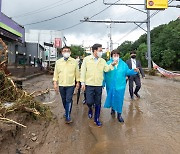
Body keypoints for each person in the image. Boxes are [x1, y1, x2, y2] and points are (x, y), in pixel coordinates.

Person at [80, 43, 117, 127]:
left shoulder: (102, 60)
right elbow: (83, 71)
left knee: (98, 102)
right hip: (89, 84)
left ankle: (96, 119)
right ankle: (90, 109)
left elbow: (106, 69)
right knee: (89, 102)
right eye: (100, 50)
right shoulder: (86, 59)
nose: (101, 52)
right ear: (94, 51)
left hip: (98, 84)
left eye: (101, 50)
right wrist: (82, 82)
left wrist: (112, 64)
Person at [104, 49, 138, 122]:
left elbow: (127, 72)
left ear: (119, 56)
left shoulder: (123, 64)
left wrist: (133, 71)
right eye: (114, 55)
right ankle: (113, 109)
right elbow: (104, 72)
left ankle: (119, 114)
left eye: (117, 55)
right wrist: (103, 83)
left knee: (119, 99)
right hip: (110, 85)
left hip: (120, 85)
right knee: (112, 97)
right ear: (112, 56)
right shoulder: (108, 63)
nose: (116, 56)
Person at [53, 46, 80, 124]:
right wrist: (55, 83)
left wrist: (78, 82)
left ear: (70, 52)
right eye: (64, 51)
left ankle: (68, 116)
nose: (66, 52)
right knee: (64, 100)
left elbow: (77, 73)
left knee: (68, 99)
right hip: (61, 84)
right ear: (62, 52)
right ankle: (67, 111)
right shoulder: (58, 62)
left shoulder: (74, 62)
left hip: (71, 84)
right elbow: (56, 73)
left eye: (68, 51)